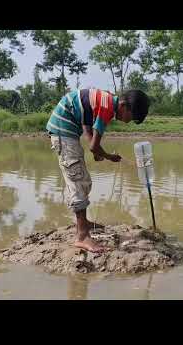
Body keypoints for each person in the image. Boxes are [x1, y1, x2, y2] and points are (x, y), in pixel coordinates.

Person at [47, 88, 150, 252]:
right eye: (130, 117)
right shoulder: (107, 108)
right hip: (63, 131)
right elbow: (94, 146)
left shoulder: (106, 100)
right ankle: (82, 236)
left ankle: (84, 223)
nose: (127, 121)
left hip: (67, 130)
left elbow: (86, 125)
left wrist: (95, 150)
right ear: (123, 105)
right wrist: (107, 156)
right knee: (78, 181)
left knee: (84, 181)